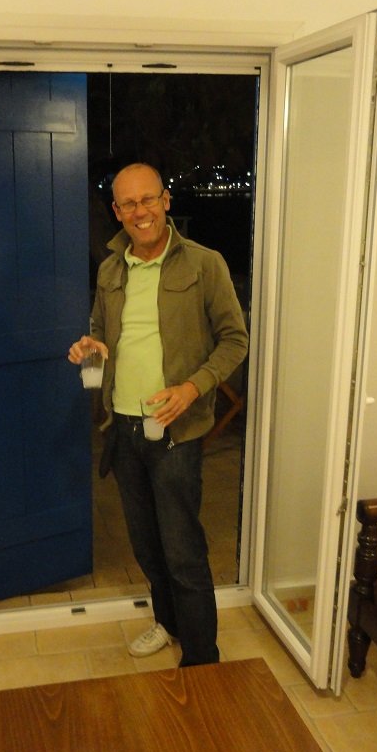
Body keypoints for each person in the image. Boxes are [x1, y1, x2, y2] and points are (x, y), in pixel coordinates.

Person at [67, 162, 249, 666]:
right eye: (128, 203)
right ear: (116, 211)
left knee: (183, 550)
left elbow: (235, 340)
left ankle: (202, 657)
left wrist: (192, 388)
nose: (140, 211)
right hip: (123, 428)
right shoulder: (110, 269)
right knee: (147, 547)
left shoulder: (204, 264)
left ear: (166, 201)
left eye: (148, 199)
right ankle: (168, 623)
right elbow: (102, 332)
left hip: (175, 430)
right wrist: (90, 347)